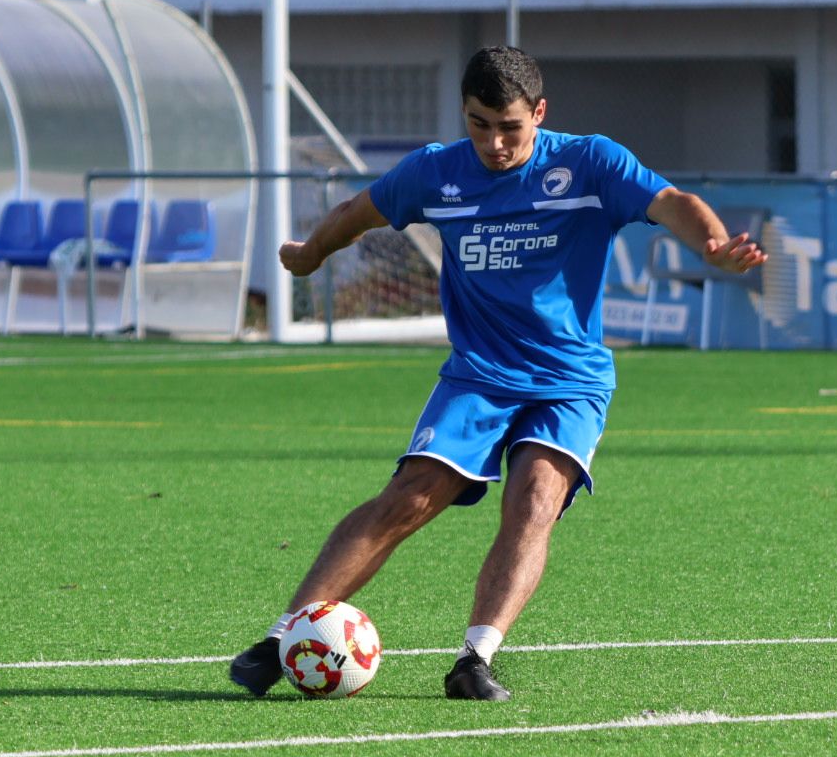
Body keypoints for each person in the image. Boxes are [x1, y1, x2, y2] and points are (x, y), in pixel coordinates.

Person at [230, 45, 766, 701]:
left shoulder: (589, 162)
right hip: (478, 375)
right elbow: (360, 212)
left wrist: (712, 244)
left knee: (534, 500)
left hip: (571, 380)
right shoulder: (437, 172)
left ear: (539, 113)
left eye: (510, 126)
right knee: (410, 498)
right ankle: (283, 637)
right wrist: (309, 253)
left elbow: (672, 201)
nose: (494, 142)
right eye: (479, 124)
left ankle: (474, 659)